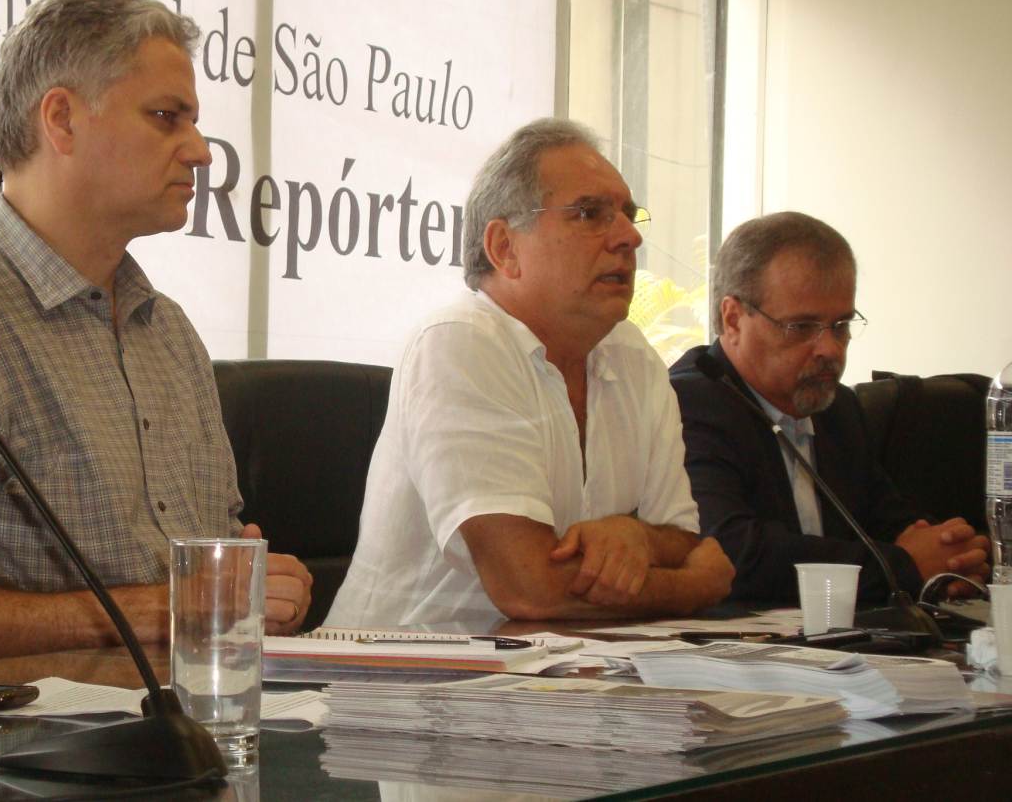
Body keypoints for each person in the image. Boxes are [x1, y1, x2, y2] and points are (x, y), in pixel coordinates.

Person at [0, 0, 312, 666]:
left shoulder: (171, 333)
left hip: (192, 711)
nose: (201, 152)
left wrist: (260, 592)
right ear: (63, 120)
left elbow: (216, 571)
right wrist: (163, 610)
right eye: (166, 117)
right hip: (24, 733)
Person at [326, 118, 734, 628]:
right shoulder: (460, 342)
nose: (629, 237)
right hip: (411, 667)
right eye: (590, 213)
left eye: (629, 216)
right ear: (505, 248)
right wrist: (693, 588)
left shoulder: (633, 356)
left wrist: (639, 538)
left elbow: (684, 541)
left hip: (571, 666)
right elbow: (530, 589)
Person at [669, 212, 989, 602]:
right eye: (802, 327)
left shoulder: (837, 409)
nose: (830, 349)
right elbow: (734, 553)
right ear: (733, 319)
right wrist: (903, 566)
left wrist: (951, 556)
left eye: (841, 326)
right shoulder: (688, 404)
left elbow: (890, 523)